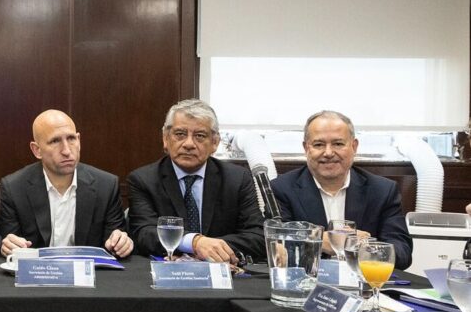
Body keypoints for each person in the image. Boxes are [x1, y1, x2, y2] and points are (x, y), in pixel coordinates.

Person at [271, 110, 412, 270]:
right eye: (319, 145)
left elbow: (403, 253)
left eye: (338, 144)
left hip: (364, 285)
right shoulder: (282, 189)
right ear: (306, 148)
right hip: (308, 285)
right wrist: (317, 241)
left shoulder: (382, 191)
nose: (329, 153)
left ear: (354, 146)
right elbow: (276, 247)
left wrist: (362, 248)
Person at [128, 99, 265, 262]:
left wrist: (211, 248)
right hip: (167, 273)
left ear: (214, 143)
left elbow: (257, 236)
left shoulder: (237, 179)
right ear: (166, 138)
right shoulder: (143, 180)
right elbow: (144, 234)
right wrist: (194, 242)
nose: (188, 144)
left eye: (199, 136)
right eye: (180, 134)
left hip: (223, 274)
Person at [0, 110, 133, 257]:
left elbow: (115, 241)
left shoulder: (106, 186)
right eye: (55, 141)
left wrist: (121, 242)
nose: (67, 150)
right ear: (37, 150)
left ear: (79, 140)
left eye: (71, 138)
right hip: (38, 275)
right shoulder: (14, 188)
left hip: (91, 276)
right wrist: (9, 245)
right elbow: (11, 245)